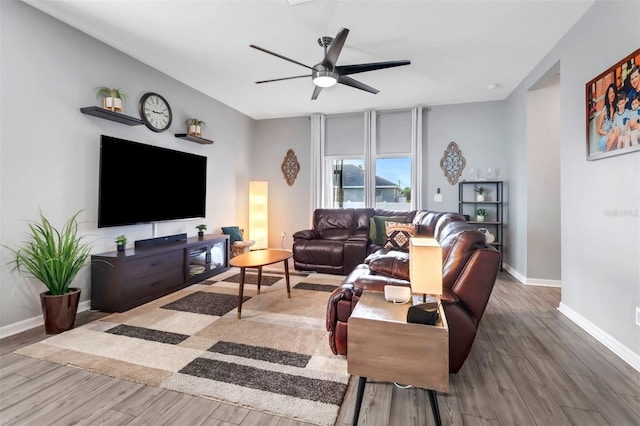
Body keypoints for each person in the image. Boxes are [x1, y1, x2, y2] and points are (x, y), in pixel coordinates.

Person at [597, 83, 619, 151]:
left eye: (613, 93)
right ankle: (607, 152)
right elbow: (598, 130)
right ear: (607, 96)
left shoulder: (617, 109)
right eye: (610, 93)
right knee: (615, 135)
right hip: (604, 138)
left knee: (618, 132)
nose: (612, 95)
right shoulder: (605, 109)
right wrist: (608, 134)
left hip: (613, 137)